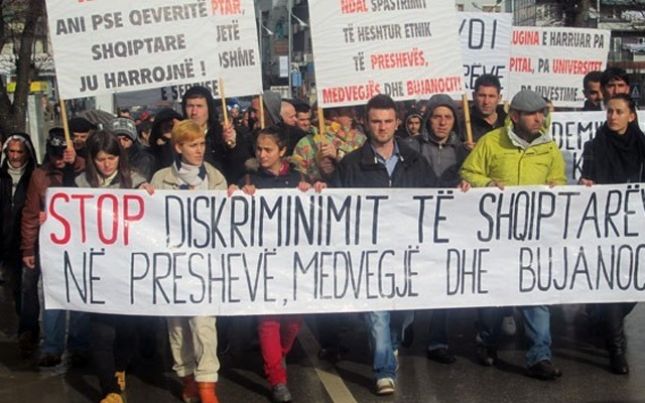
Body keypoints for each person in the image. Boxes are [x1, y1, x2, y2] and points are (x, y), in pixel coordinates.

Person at [460, 89, 566, 380]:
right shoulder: (491, 142)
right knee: (494, 294)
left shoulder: (549, 147)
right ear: (515, 116)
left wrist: (557, 186)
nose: (539, 118)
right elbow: (468, 172)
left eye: (541, 113)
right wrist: (486, 184)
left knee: (536, 293)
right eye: (532, 114)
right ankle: (487, 342)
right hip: (497, 235)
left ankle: (540, 356)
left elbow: (559, 179)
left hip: (534, 236)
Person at [336, 94, 435, 395]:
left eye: (388, 121)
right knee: (377, 311)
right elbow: (336, 206)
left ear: (397, 123)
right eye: (376, 121)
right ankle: (383, 370)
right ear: (366, 123)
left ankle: (391, 344)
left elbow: (436, 200)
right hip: (369, 253)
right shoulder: (351, 164)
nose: (382, 127)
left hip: (407, 252)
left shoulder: (415, 161)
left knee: (403, 313)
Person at [229, 126, 324, 402]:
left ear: (282, 151)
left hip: (294, 262)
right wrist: (235, 192)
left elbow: (318, 211)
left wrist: (316, 190)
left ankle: (277, 355)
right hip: (262, 263)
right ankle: (277, 378)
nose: (262, 154)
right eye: (259, 149)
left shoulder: (299, 178)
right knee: (268, 320)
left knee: (293, 320)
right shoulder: (248, 179)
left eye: (268, 149)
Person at [150, 120, 226, 403]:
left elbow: (226, 220)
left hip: (204, 265)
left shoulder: (215, 178)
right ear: (178, 147)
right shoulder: (160, 179)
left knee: (203, 324)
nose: (199, 150)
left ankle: (207, 385)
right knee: (178, 326)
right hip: (173, 265)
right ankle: (187, 377)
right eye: (193, 145)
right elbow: (151, 220)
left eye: (202, 144)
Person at [75, 131, 149, 403]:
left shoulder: (135, 181)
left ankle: (120, 367)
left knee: (127, 329)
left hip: (128, 269)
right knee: (101, 332)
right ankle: (109, 389)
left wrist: (148, 194)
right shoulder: (80, 183)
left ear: (120, 157)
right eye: (101, 159)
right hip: (98, 268)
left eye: (111, 158)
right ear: (92, 160)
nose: (106, 164)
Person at [580, 93, 645, 374]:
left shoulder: (642, 146)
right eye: (609, 111)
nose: (613, 116)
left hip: (637, 226)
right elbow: (586, 176)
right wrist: (585, 183)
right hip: (604, 225)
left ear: (631, 116)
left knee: (634, 286)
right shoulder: (594, 145)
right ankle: (616, 348)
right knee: (613, 284)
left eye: (619, 112)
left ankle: (600, 319)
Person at [403, 94, 469, 364]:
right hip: (415, 223)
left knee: (443, 282)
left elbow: (472, 178)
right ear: (428, 119)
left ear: (455, 121)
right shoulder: (409, 147)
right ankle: (405, 325)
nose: (442, 122)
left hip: (448, 226)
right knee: (410, 277)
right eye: (437, 117)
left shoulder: (464, 151)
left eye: (448, 117)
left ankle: (438, 341)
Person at [21, 128, 90, 367]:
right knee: (54, 296)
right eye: (55, 154)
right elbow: (30, 214)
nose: (59, 159)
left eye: (63, 154)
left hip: (82, 244)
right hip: (54, 247)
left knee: (80, 294)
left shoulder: (85, 168)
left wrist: (76, 161)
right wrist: (28, 248)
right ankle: (52, 347)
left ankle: (80, 346)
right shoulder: (40, 175)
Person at [0, 133, 37, 356]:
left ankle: (28, 331)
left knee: (27, 287)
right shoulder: (1, 175)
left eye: (19, 152)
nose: (15, 156)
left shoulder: (35, 175)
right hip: (6, 241)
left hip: (27, 241)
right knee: (14, 286)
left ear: (27, 153)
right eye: (11, 151)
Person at [182, 85, 253, 185]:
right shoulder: (178, 135)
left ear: (209, 108)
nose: (194, 112)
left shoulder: (223, 132)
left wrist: (232, 146)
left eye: (199, 106)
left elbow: (241, 168)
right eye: (190, 106)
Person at [292, 107, 366, 183]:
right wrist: (316, 163)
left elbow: (365, 172)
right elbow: (298, 179)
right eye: (348, 110)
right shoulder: (304, 143)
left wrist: (338, 156)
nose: (353, 115)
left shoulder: (359, 139)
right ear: (334, 115)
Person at [469, 74, 506, 142]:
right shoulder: (464, 125)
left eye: (491, 96)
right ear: (474, 96)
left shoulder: (508, 123)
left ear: (499, 98)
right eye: (482, 96)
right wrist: (462, 147)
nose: (486, 102)